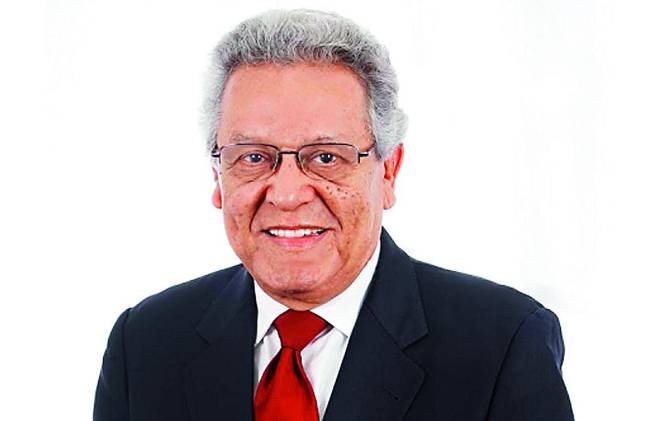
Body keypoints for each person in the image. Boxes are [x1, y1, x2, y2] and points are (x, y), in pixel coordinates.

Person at [94, 9, 574, 421]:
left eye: (326, 157)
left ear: (389, 172)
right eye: (254, 156)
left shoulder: (502, 345)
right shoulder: (145, 344)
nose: (286, 195)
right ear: (219, 176)